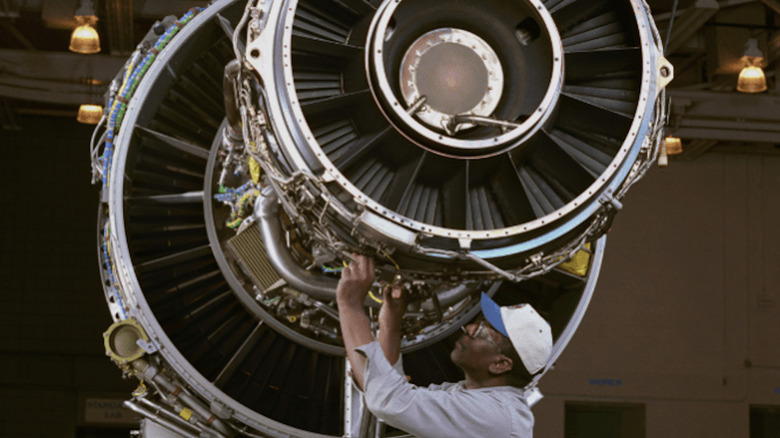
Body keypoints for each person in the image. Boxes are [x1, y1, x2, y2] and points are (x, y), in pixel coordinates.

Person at [337, 254, 553, 438]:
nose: (468, 327)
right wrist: (390, 326)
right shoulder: (472, 398)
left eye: (481, 331)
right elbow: (384, 390)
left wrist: (351, 305)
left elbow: (388, 400)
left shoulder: (497, 416)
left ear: (500, 364)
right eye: (478, 323)